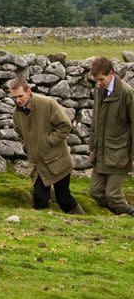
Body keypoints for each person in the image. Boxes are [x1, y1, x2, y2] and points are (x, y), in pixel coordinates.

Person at [8, 78, 83, 214]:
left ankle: (84, 223)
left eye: (20, 96)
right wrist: (27, 146)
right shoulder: (16, 113)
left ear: (28, 91)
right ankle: (43, 230)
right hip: (37, 164)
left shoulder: (47, 104)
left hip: (57, 160)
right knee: (39, 198)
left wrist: (48, 142)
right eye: (14, 97)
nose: (18, 100)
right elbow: (19, 132)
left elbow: (65, 125)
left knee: (64, 199)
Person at [88, 57, 134, 216]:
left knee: (113, 195)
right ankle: (121, 213)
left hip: (119, 152)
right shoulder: (98, 90)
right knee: (95, 192)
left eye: (102, 79)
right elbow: (95, 120)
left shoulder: (127, 92)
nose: (99, 83)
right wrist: (92, 148)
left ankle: (129, 214)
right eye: (96, 80)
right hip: (100, 152)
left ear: (112, 73)